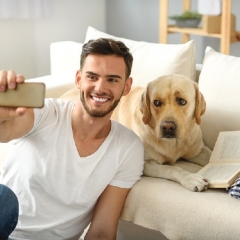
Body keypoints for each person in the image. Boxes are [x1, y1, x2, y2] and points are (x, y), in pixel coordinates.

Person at [0, 38, 144, 240]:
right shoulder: (45, 113)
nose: (100, 88)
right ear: (78, 79)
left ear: (126, 86)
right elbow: (5, 130)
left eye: (112, 79)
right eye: (92, 77)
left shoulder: (128, 148)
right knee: (4, 198)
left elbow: (102, 231)